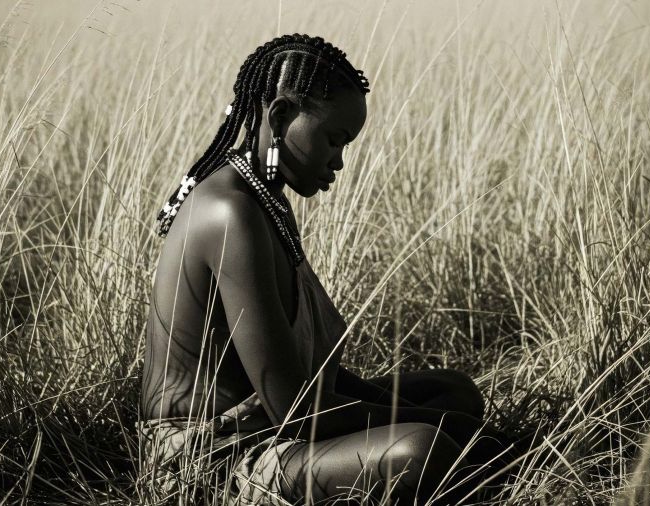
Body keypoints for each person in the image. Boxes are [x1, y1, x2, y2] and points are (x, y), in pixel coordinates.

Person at [139, 34, 511, 505]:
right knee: (421, 450)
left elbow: (300, 378)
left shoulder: (266, 200)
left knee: (452, 391)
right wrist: (440, 425)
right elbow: (296, 411)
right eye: (334, 140)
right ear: (280, 116)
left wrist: (436, 415)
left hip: (268, 421)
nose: (338, 161)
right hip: (211, 454)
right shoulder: (229, 213)